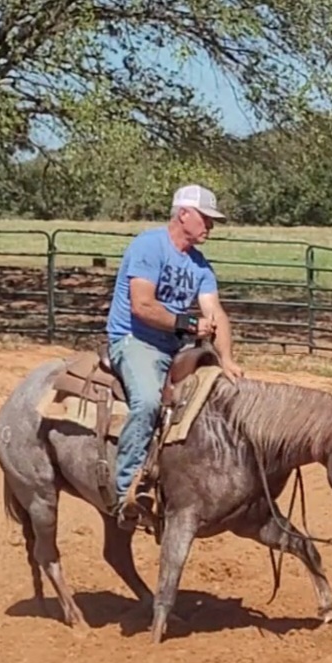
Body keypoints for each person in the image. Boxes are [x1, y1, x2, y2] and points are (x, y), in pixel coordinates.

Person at [103, 183, 245, 529]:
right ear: (183, 214)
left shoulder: (200, 267)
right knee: (149, 403)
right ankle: (124, 493)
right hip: (136, 340)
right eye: (205, 219)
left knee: (216, 398)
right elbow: (142, 306)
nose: (210, 226)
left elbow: (216, 312)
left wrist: (226, 359)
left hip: (175, 344)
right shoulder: (149, 247)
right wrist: (187, 322)